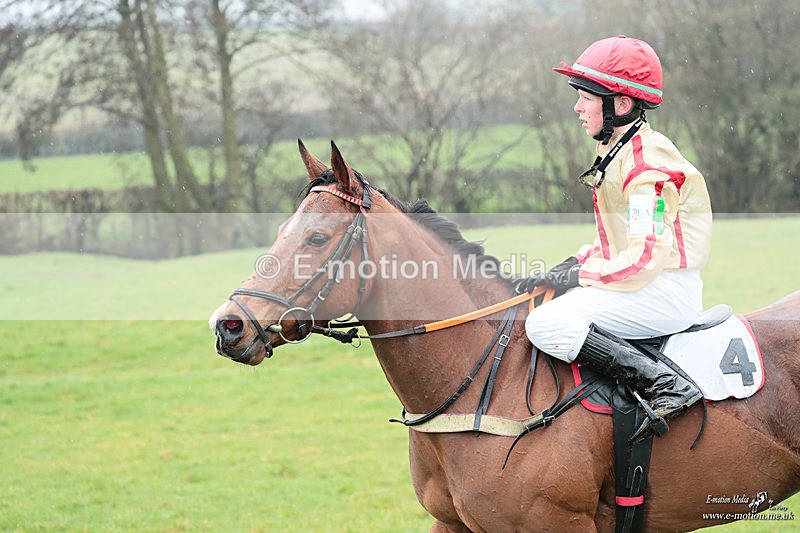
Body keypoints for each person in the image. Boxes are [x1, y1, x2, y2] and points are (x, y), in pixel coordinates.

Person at [521, 35, 713, 442]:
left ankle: (666, 384)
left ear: (620, 104)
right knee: (543, 300)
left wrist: (580, 277)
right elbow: (617, 244)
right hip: (648, 284)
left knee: (545, 323)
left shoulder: (647, 165)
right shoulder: (620, 150)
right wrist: (571, 266)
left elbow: (642, 259)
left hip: (662, 290)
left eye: (586, 97)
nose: (577, 107)